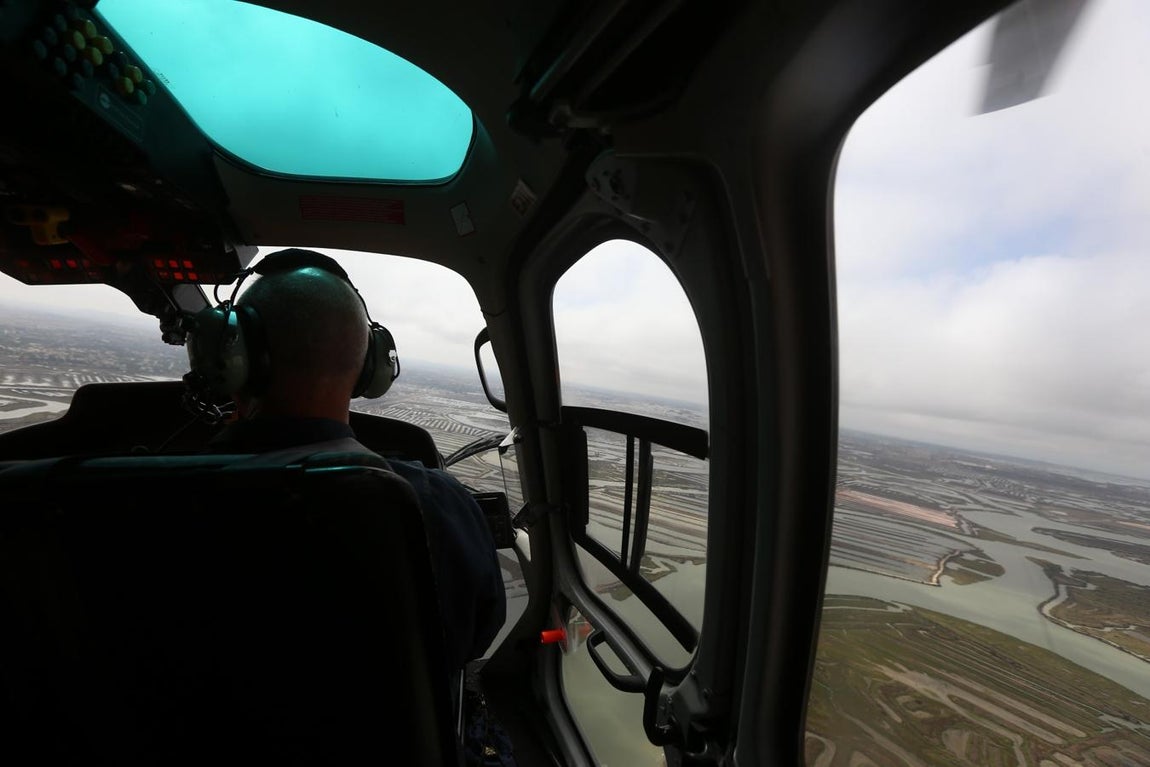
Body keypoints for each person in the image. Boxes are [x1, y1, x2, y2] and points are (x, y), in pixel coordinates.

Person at [191, 248, 506, 674]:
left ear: (233, 358)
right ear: (369, 367)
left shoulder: (136, 501)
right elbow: (473, 641)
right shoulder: (433, 505)